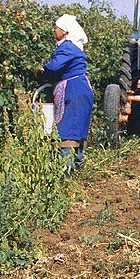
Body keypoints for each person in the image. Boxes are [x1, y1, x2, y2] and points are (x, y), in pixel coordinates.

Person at [42, 14, 94, 170]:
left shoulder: (68, 47)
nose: (54, 30)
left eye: (56, 28)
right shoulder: (71, 46)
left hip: (74, 91)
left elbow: (53, 67)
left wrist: (41, 68)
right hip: (79, 89)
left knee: (68, 130)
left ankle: (66, 171)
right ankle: (77, 167)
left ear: (64, 30)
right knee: (77, 128)